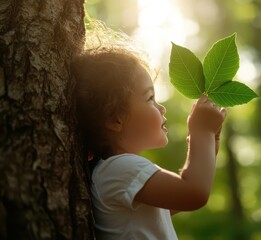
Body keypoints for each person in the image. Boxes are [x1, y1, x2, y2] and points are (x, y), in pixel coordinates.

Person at [71, 47, 227, 239]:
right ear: (115, 119)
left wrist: (210, 141)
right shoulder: (118, 169)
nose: (161, 108)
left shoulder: (116, 173)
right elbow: (194, 194)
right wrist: (202, 132)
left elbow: (176, 200)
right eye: (150, 98)